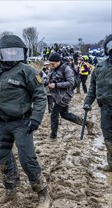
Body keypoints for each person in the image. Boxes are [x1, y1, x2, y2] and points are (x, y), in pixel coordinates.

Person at [0, 34, 50, 208]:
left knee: (27, 158)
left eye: (16, 52)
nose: (12, 55)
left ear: (22, 53)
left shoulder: (27, 71)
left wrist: (35, 119)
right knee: (2, 157)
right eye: (8, 52)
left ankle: (42, 192)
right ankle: (10, 189)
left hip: (22, 123)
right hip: (0, 124)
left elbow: (40, 96)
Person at [47, 53, 94, 140]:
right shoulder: (53, 69)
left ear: (58, 62)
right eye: (50, 63)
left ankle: (53, 135)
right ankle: (87, 123)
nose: (51, 65)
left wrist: (56, 85)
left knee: (54, 114)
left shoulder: (66, 69)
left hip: (64, 96)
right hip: (58, 96)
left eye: (53, 64)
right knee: (64, 114)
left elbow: (71, 83)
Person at [83, 34, 112, 172]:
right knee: (108, 137)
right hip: (106, 108)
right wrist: (88, 102)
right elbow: (92, 88)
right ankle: (111, 163)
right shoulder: (99, 68)